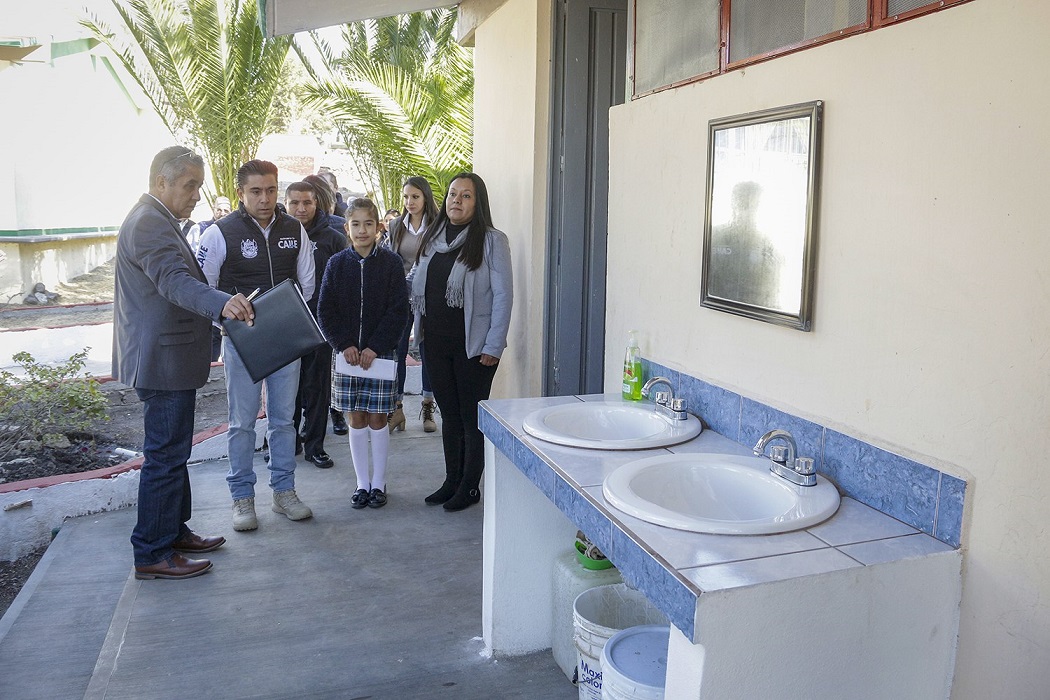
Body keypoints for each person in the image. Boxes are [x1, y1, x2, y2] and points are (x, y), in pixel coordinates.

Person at [113, 145, 255, 580]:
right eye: (189, 184)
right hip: (161, 362)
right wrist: (222, 304)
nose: (196, 194)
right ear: (162, 182)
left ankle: (173, 531)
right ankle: (152, 551)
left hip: (167, 358)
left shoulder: (157, 220)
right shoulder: (149, 225)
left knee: (173, 452)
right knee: (164, 456)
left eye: (198, 184)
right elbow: (173, 282)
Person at [196, 160, 316, 531]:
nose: (265, 199)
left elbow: (307, 285)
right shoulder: (218, 233)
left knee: (283, 420)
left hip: (284, 340)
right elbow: (203, 288)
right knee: (242, 423)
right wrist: (229, 326)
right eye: (255, 191)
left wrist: (285, 318)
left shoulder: (294, 230)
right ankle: (242, 499)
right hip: (241, 344)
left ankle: (284, 492)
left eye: (270, 190)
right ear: (240, 193)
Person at [411, 173, 512, 511]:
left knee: (471, 419)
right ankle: (451, 480)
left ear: (477, 202)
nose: (457, 200)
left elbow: (503, 296)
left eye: (466, 196)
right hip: (435, 343)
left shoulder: (491, 241)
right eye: (453, 193)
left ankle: (470, 488)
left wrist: (494, 346)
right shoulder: (433, 237)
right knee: (449, 417)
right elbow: (418, 285)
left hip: (474, 348)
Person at [317, 198, 408, 510]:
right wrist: (344, 344)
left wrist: (376, 346)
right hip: (348, 356)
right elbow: (325, 310)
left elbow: (398, 311)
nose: (362, 230)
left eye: (369, 223)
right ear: (347, 228)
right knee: (355, 417)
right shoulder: (336, 264)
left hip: (378, 356)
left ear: (379, 227)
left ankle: (379, 483)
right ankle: (362, 484)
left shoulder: (391, 265)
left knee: (378, 418)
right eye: (355, 224)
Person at [286, 180, 347, 469]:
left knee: (317, 388)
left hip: (320, 325)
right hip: (285, 326)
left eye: (307, 202)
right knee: (287, 389)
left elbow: (342, 281)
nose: (301, 208)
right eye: (294, 203)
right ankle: (288, 443)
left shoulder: (333, 237)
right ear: (286, 205)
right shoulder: (278, 234)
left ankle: (315, 446)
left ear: (316, 204)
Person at [386, 177, 439, 433]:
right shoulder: (396, 225)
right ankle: (397, 409)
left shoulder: (438, 225)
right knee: (397, 350)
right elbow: (390, 259)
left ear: (425, 197)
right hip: (400, 295)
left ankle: (428, 405)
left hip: (427, 296)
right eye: (406, 197)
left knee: (427, 349)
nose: (410, 202)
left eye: (415, 197)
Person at [303, 174, 349, 437]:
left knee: (329, 368)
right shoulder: (290, 228)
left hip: (328, 310)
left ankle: (336, 412)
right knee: (307, 376)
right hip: (300, 311)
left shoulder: (336, 230)